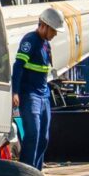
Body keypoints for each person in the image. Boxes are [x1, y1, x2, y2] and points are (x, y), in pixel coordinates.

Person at [13, 12, 60, 167]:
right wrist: (15, 92)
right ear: (44, 26)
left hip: (43, 95)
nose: (55, 34)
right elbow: (18, 66)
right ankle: (26, 173)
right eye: (53, 30)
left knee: (43, 138)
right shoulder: (30, 41)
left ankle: (36, 174)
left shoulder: (46, 44)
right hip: (30, 95)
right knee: (33, 134)